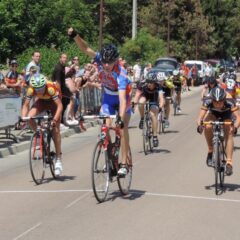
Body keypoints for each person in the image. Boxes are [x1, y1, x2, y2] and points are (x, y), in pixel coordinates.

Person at [68, 27, 132, 176]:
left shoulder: (120, 73)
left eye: (110, 62)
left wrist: (121, 119)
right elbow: (85, 48)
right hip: (108, 98)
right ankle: (110, 159)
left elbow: (122, 100)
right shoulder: (100, 60)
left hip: (123, 98)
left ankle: (123, 163)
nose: (106, 65)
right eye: (104, 62)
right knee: (105, 127)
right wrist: (75, 35)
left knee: (122, 129)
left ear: (116, 60)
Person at [21, 74, 63, 176]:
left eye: (41, 88)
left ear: (44, 85)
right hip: (42, 102)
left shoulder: (51, 88)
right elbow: (26, 105)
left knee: (56, 130)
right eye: (37, 89)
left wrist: (55, 120)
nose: (39, 90)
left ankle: (58, 159)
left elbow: (60, 106)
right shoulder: (31, 89)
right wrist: (23, 117)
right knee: (29, 117)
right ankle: (39, 134)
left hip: (54, 103)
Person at [197, 86, 240, 176]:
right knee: (207, 126)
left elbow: (238, 118)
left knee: (228, 132)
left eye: (220, 102)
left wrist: (235, 127)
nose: (218, 104)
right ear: (212, 99)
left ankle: (229, 162)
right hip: (213, 114)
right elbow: (200, 117)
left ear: (224, 99)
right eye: (215, 102)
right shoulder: (207, 100)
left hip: (227, 115)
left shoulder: (230, 101)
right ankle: (210, 150)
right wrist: (200, 125)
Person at [133, 72, 165, 147]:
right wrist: (133, 103)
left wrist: (160, 107)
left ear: (154, 82)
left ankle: (154, 136)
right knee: (140, 103)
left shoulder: (158, 86)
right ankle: (142, 118)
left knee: (153, 115)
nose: (149, 84)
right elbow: (137, 96)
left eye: (151, 83)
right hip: (145, 96)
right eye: (148, 82)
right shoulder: (142, 84)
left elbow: (161, 98)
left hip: (154, 98)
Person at [52, 53, 71, 128]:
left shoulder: (62, 67)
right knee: (61, 105)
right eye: (63, 58)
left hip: (63, 88)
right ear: (60, 58)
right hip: (58, 89)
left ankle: (62, 121)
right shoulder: (58, 68)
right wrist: (59, 93)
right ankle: (59, 122)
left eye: (66, 58)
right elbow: (57, 81)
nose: (65, 59)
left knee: (66, 101)